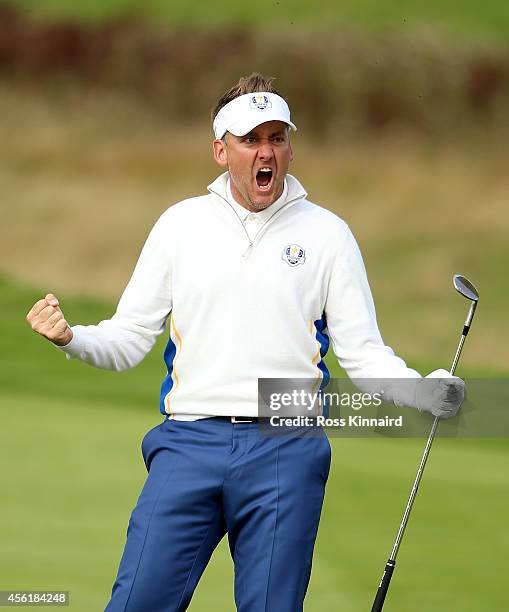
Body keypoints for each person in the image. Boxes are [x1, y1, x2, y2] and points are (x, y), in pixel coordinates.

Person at [26, 73, 464, 612]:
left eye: (277, 138)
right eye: (251, 139)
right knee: (137, 601)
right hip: (188, 444)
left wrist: (423, 392)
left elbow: (363, 354)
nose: (267, 152)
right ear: (220, 150)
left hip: (287, 445)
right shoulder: (180, 226)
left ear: (290, 148)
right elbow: (128, 338)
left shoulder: (327, 235)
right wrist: (71, 338)